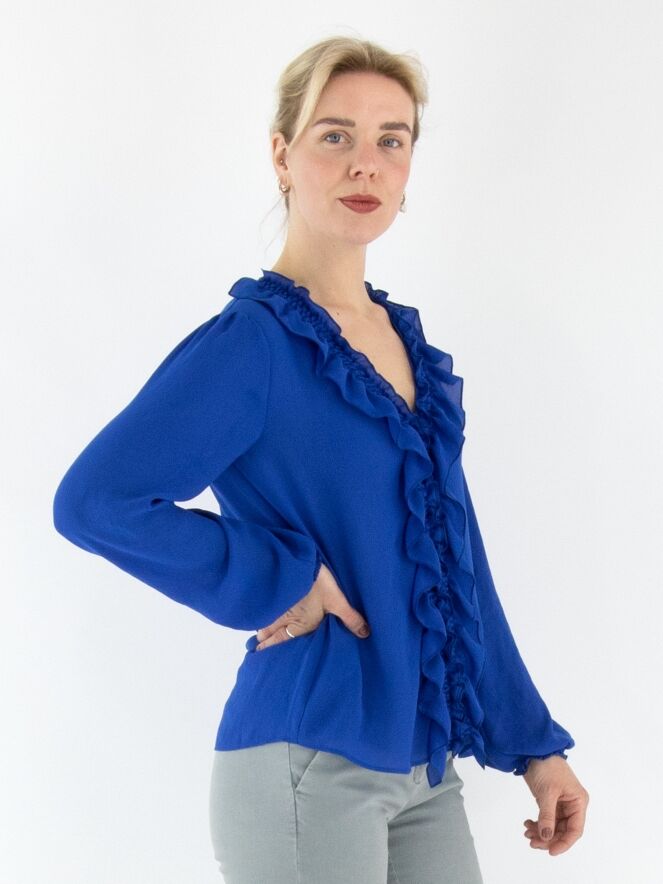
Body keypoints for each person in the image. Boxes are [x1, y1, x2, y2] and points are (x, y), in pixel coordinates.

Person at [52, 35, 589, 884]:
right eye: (334, 135)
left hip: (424, 769)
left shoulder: (405, 345)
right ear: (282, 156)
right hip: (307, 762)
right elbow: (95, 502)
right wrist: (286, 575)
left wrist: (533, 746)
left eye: (390, 140)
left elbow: (457, 562)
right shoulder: (253, 344)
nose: (364, 164)